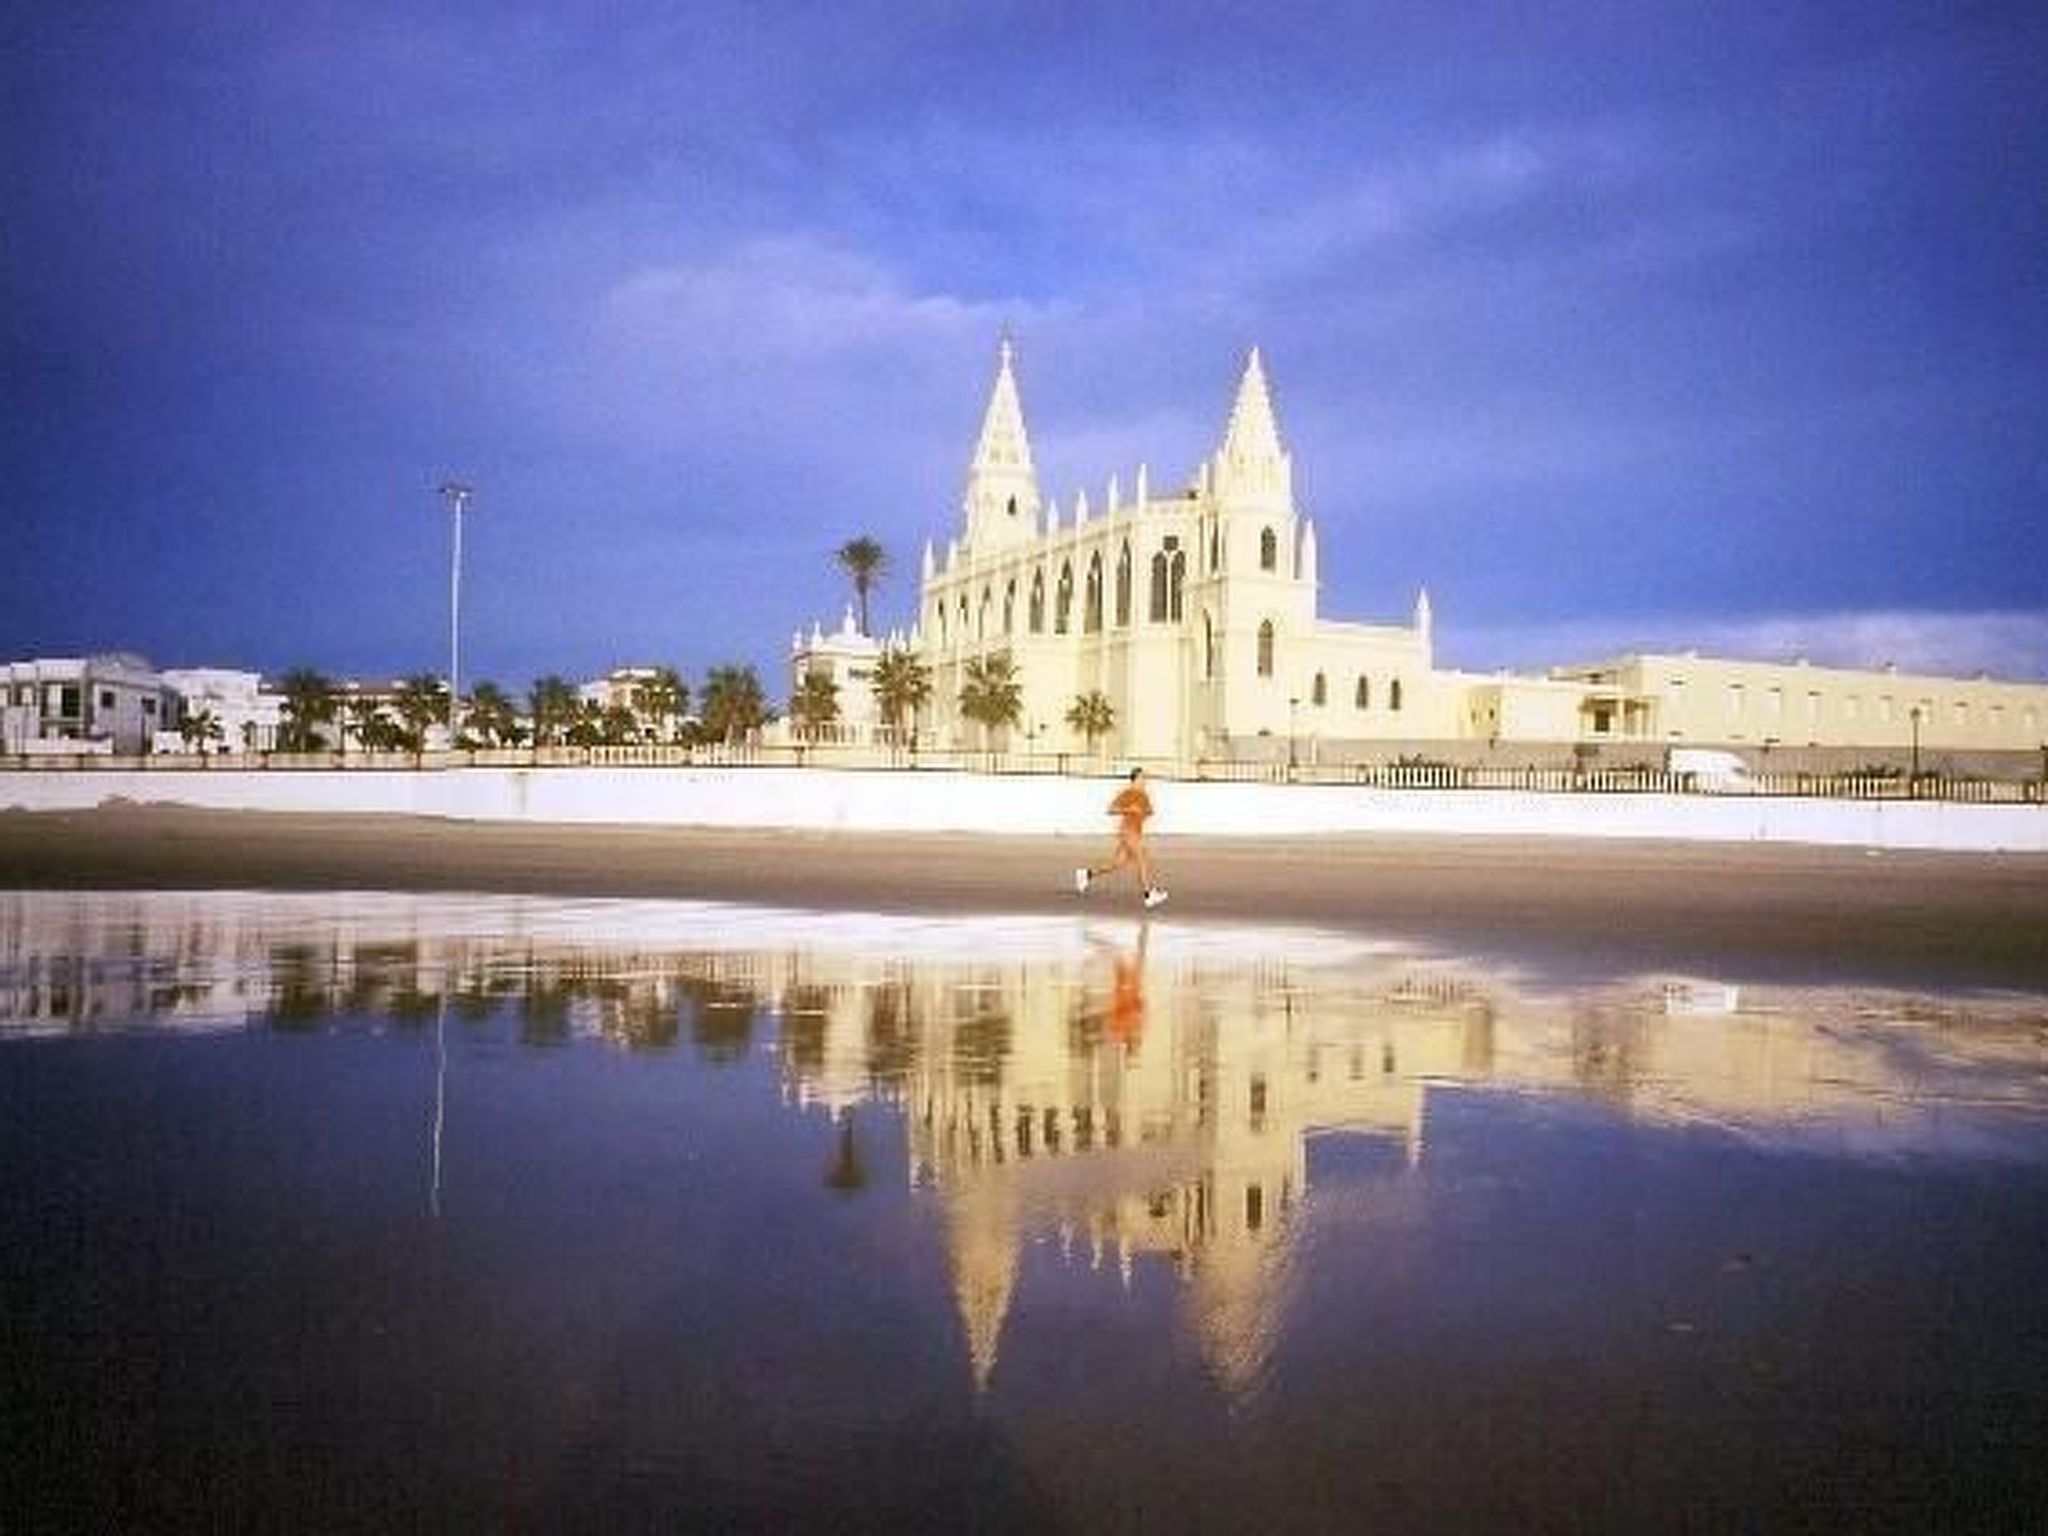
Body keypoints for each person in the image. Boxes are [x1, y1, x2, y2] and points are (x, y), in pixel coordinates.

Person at [1074, 767, 1168, 909]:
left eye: (1145, 778)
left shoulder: (1144, 795)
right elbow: (1110, 810)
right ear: (1135, 778)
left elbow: (1150, 812)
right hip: (1127, 831)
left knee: (1117, 864)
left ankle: (1087, 874)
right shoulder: (1127, 793)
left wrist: (1143, 811)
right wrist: (1129, 809)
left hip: (1135, 832)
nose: (1145, 780)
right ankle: (1148, 894)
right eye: (1143, 777)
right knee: (1142, 859)